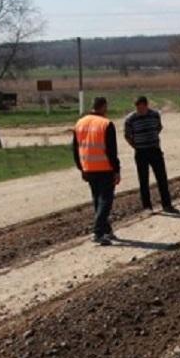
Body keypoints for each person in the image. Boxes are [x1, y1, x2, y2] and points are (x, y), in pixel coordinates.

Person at [73, 97, 121, 246]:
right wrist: (116, 169)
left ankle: (106, 230)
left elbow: (75, 148)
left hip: (88, 167)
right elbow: (111, 150)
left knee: (97, 200)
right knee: (105, 201)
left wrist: (81, 167)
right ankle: (98, 231)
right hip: (105, 168)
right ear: (103, 107)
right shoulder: (106, 124)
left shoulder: (80, 123)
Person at [124, 96, 180, 214]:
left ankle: (167, 205)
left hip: (155, 150)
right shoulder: (130, 119)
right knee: (143, 180)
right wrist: (136, 145)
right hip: (141, 152)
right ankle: (147, 207)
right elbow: (127, 136)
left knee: (162, 179)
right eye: (137, 108)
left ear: (146, 105)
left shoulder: (155, 115)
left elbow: (158, 128)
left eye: (141, 107)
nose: (139, 110)